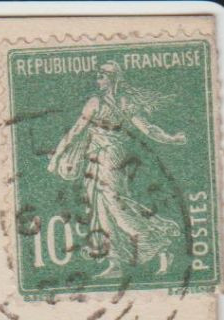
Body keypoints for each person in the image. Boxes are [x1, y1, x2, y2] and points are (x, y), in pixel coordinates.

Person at [47, 62, 187, 280]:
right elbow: (75, 131)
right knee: (101, 207)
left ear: (113, 78)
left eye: (102, 76)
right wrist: (56, 157)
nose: (98, 80)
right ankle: (116, 262)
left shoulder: (123, 102)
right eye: (98, 76)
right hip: (94, 156)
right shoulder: (94, 102)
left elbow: (146, 128)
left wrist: (171, 138)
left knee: (114, 204)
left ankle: (159, 242)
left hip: (112, 156)